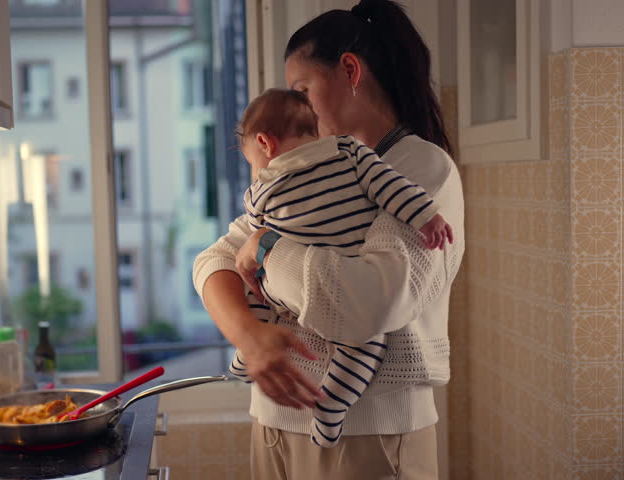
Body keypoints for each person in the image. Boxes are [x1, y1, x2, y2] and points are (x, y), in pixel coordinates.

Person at [193, 0, 464, 478]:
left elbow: (365, 306)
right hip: (272, 424)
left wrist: (268, 247)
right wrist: (250, 337)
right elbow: (213, 262)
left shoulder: (421, 168)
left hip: (370, 436)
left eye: (302, 90)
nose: (296, 107)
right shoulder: (307, 171)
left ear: (350, 71)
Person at [227, 87, 453, 447]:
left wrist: (262, 247)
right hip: (338, 268)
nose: (256, 172)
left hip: (288, 292)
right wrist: (426, 216)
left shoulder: (260, 190)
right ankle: (331, 405)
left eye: (252, 162)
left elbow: (252, 240)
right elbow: (391, 188)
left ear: (265, 143)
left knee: (255, 292)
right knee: (364, 349)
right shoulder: (349, 152)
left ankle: (247, 349)